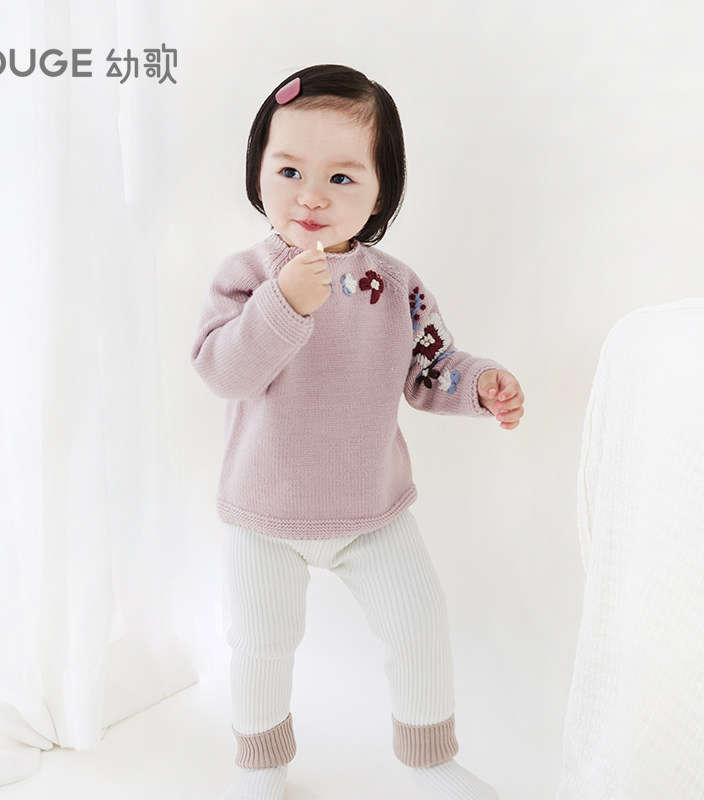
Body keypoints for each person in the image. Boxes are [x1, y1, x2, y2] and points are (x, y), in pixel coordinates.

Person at [191, 64, 524, 800]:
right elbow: (223, 371)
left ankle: (428, 760)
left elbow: (430, 368)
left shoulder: (395, 287)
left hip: (373, 510)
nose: (311, 195)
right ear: (258, 172)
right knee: (262, 643)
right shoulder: (247, 276)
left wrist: (479, 383)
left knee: (420, 624)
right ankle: (261, 766)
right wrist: (281, 304)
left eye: (341, 178)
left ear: (381, 194)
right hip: (264, 514)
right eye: (289, 170)